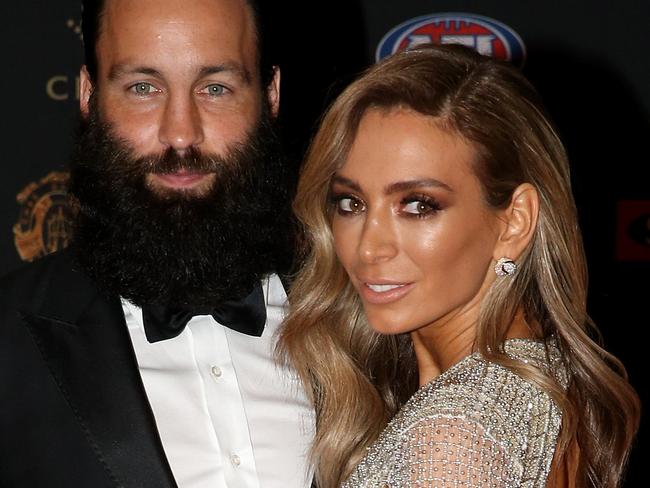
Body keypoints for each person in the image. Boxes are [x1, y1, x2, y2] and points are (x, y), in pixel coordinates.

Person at [278, 43, 640, 487]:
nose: (368, 247)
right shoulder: (543, 379)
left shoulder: (452, 438)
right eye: (351, 202)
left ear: (514, 222)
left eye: (417, 205)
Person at [0, 0, 314, 487]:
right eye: (143, 88)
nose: (181, 134)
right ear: (89, 94)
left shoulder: (368, 320)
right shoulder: (9, 341)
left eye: (215, 88)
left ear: (271, 94)